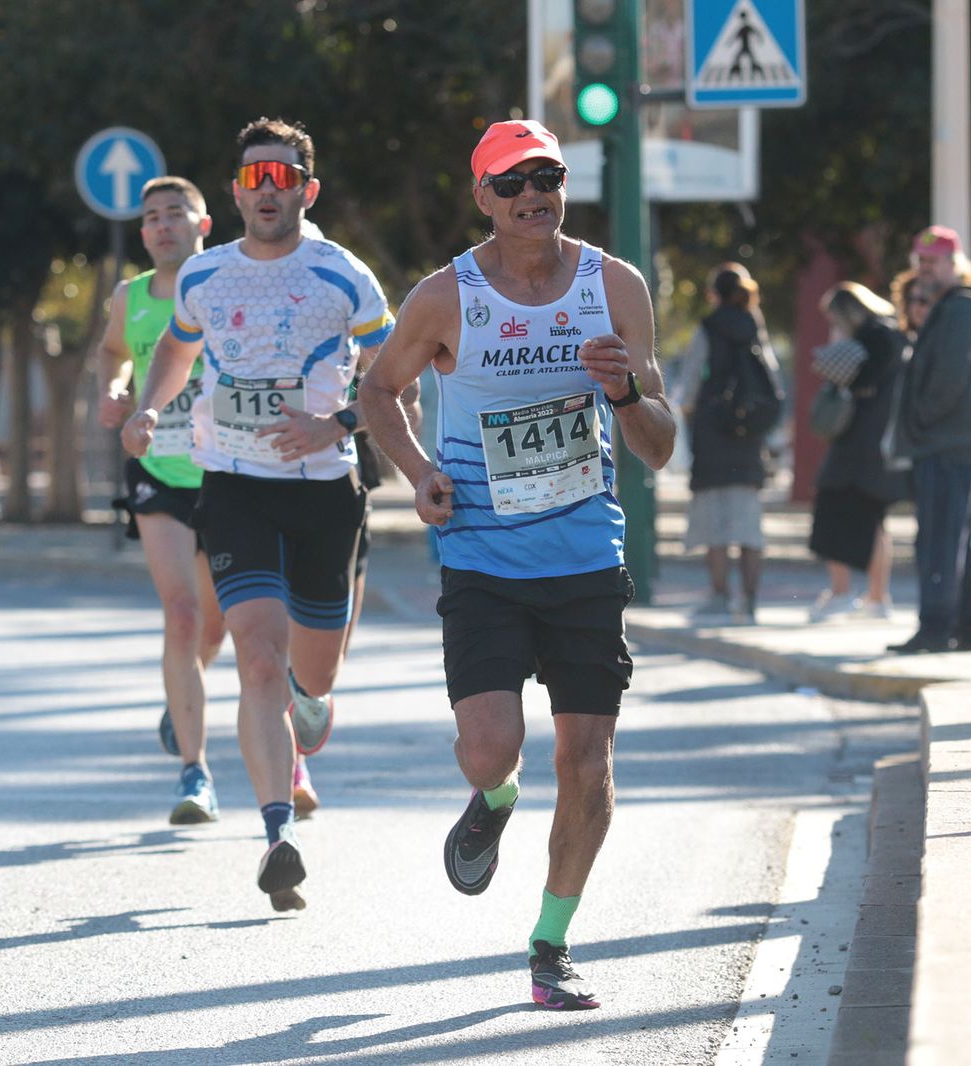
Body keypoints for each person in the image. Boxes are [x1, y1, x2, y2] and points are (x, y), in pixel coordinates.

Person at [359, 119, 677, 1010]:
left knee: (587, 762)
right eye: (513, 182)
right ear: (484, 198)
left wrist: (622, 392)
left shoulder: (614, 286)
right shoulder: (445, 296)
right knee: (491, 748)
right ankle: (492, 801)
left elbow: (658, 446)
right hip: (483, 559)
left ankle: (551, 943)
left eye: (548, 176)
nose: (533, 193)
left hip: (583, 555)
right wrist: (419, 473)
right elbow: (378, 390)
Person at [122, 118, 395, 912]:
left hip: (323, 491)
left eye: (282, 178)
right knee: (257, 661)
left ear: (307, 190)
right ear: (237, 191)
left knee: (311, 680)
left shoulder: (344, 277)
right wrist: (146, 408)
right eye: (252, 179)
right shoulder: (206, 277)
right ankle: (279, 835)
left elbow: (396, 374)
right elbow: (176, 350)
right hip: (234, 486)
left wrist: (337, 423)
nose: (265, 190)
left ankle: (312, 712)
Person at [97, 176, 227, 825]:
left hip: (228, 473)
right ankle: (194, 773)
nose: (164, 224)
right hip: (158, 473)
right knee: (180, 615)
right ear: (143, 231)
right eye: (152, 217)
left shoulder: (227, 285)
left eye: (178, 212)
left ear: (204, 225)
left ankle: (182, 699)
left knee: (214, 624)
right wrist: (114, 391)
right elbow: (112, 353)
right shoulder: (129, 297)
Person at [887, 225, 971, 654]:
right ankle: (969, 628)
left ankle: (936, 628)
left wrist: (918, 421)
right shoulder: (950, 307)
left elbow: (948, 381)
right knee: (957, 539)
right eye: (921, 261)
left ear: (955, 263)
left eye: (933, 262)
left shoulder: (961, 309)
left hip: (947, 442)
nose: (925, 269)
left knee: (938, 539)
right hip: (945, 440)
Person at [673, 262, 782, 625]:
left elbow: (690, 382)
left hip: (712, 432)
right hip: (749, 436)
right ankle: (750, 602)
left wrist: (688, 413)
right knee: (748, 524)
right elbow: (772, 379)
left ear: (714, 293)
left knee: (713, 522)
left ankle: (719, 597)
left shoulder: (708, 327)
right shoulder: (755, 326)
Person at [806, 282, 907, 621]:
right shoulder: (895, 335)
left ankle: (841, 592)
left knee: (833, 506)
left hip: (859, 440)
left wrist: (837, 346)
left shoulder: (869, 339)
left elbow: (840, 375)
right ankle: (877, 597)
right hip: (881, 441)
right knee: (875, 518)